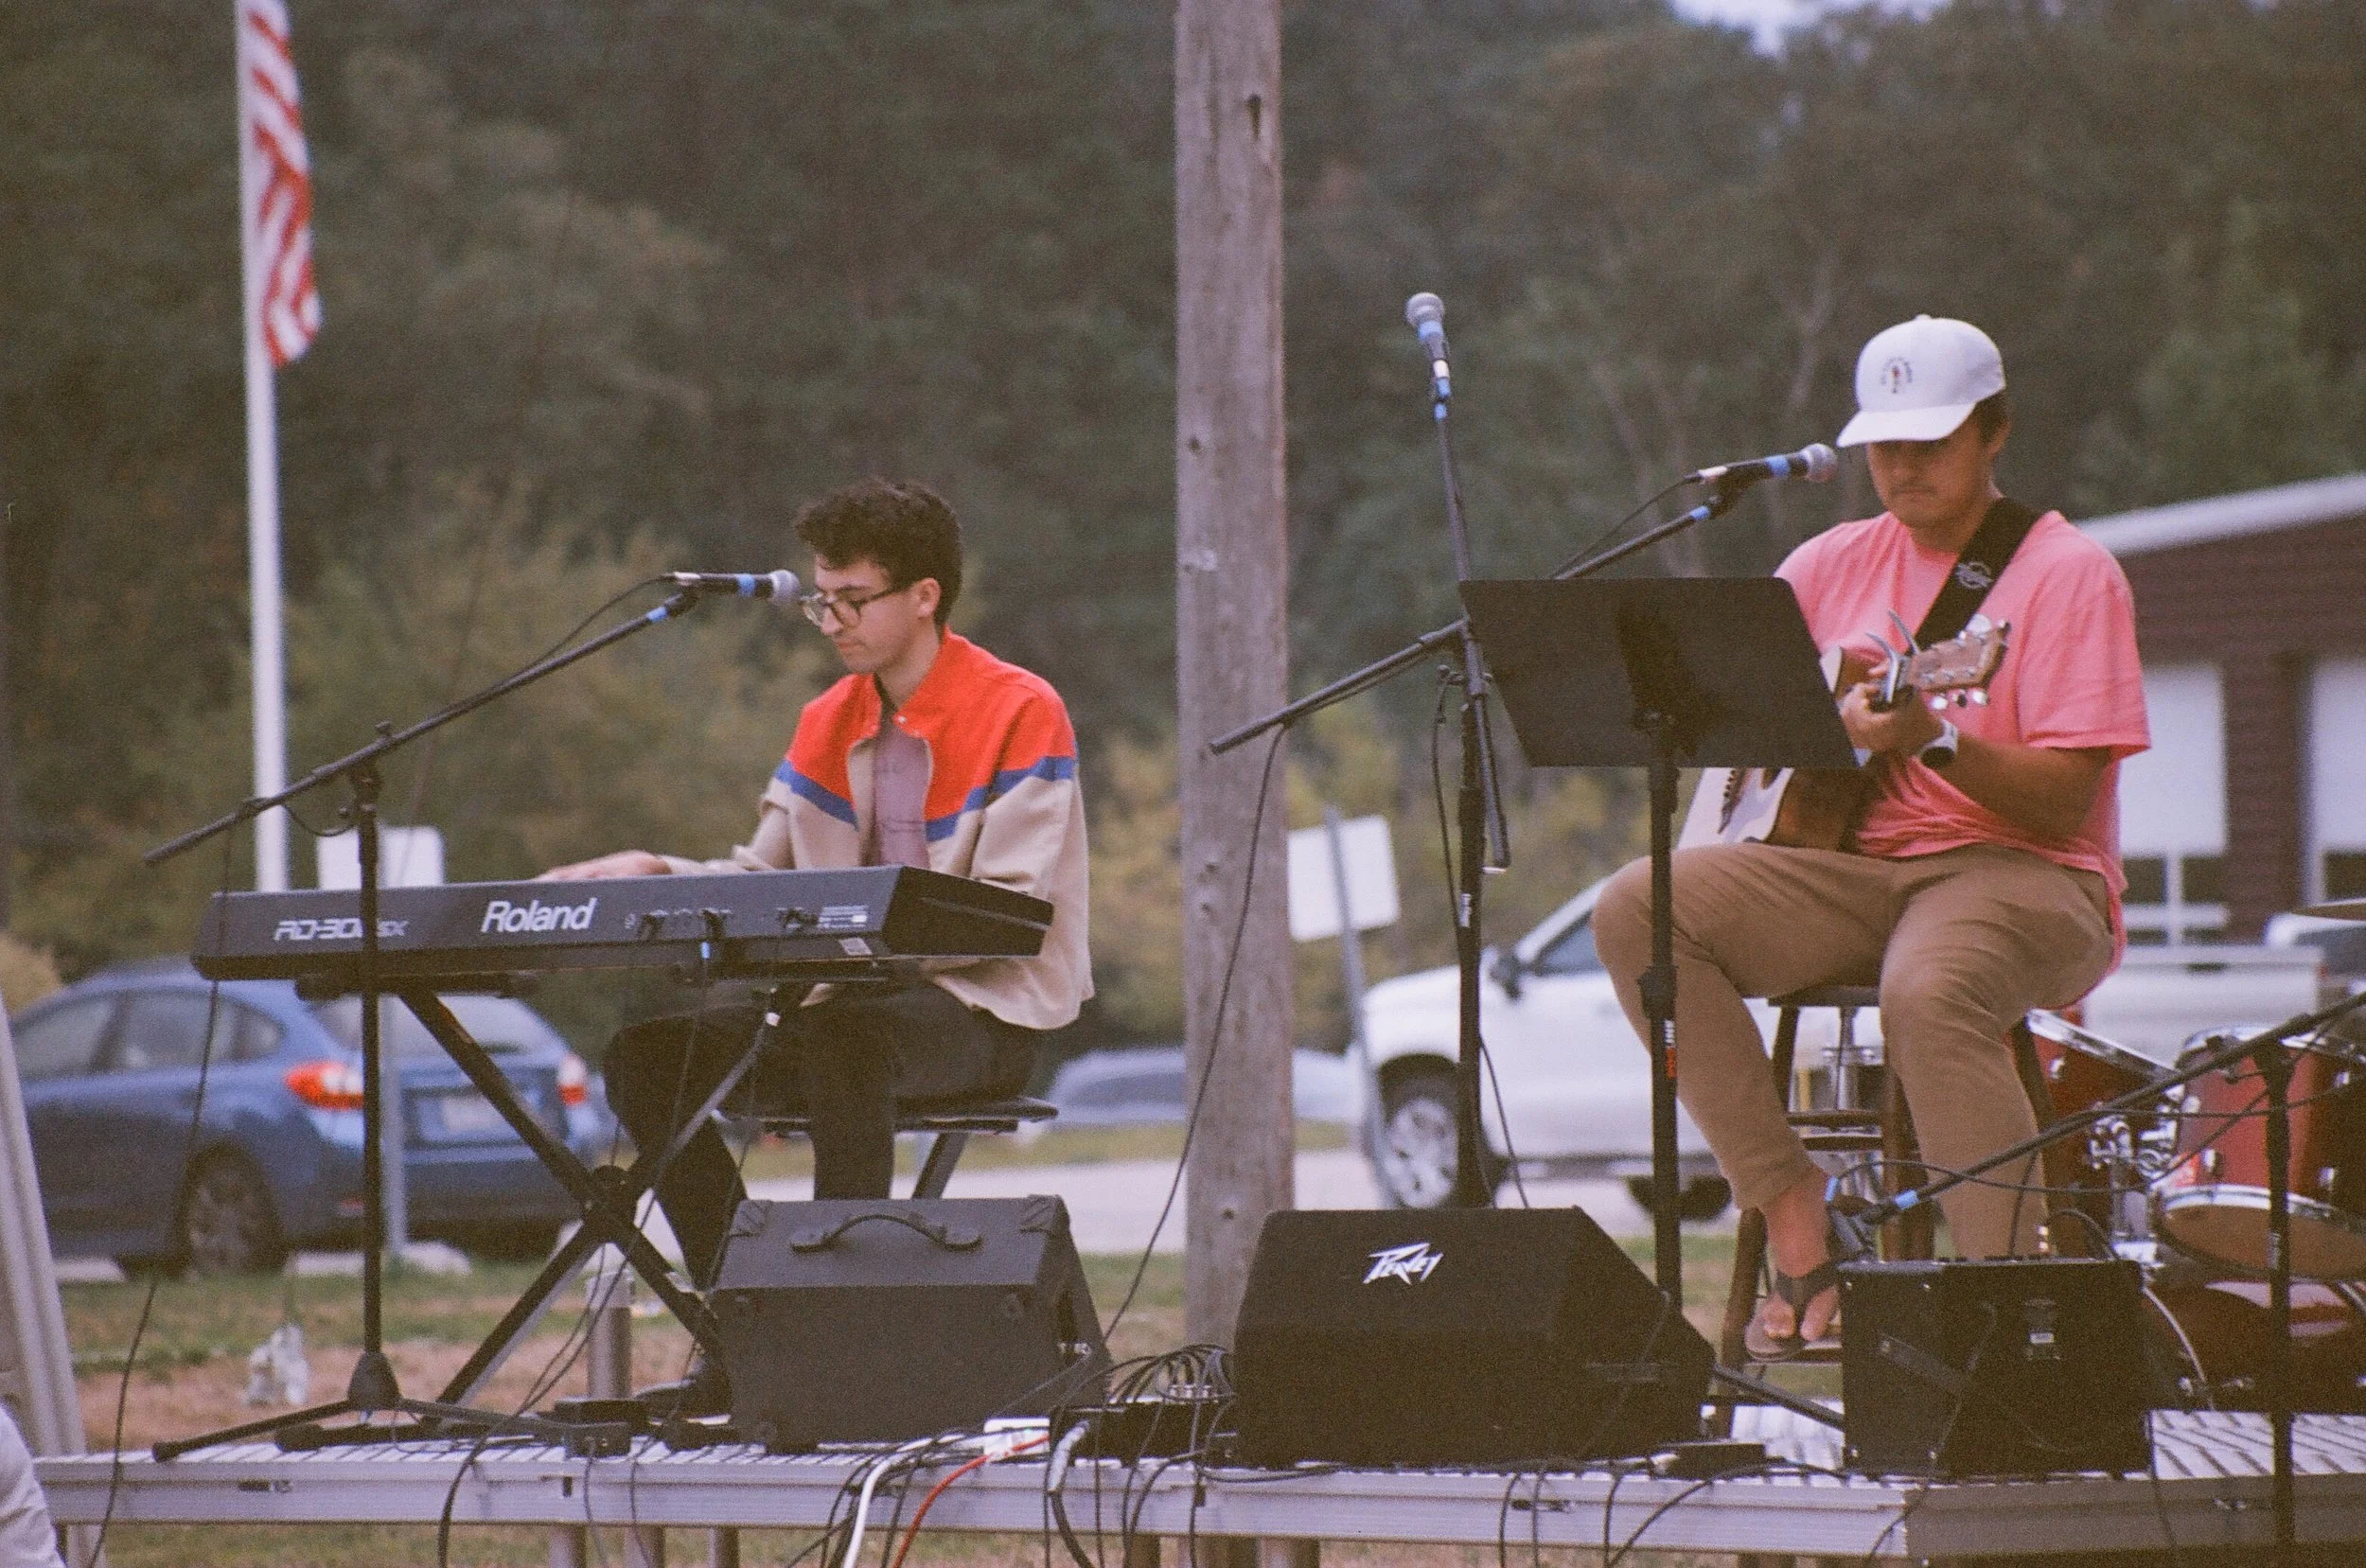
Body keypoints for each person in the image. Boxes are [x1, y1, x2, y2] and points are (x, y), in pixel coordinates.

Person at [1592, 315, 2148, 1358]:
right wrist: (1815, 727)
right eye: (1883, 446)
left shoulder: (2066, 574)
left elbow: (2063, 805)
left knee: (1929, 987)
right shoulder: (1821, 565)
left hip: (2024, 874)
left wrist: (1934, 736)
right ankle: (1795, 1209)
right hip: (1843, 872)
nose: (1900, 467)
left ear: (1994, 433)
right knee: (1639, 908)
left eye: (1928, 442)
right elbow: (1739, 748)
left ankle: (2004, 1318)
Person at [544, 477, 1091, 1304]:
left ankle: (838, 1314)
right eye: (820, 600)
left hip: (987, 1012)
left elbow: (1007, 913)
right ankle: (742, 1300)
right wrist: (659, 871)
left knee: (848, 1039)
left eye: (852, 600)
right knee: (647, 1060)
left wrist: (869, 932)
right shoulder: (825, 719)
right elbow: (765, 877)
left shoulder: (1019, 708)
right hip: (847, 1014)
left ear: (923, 597)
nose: (830, 620)